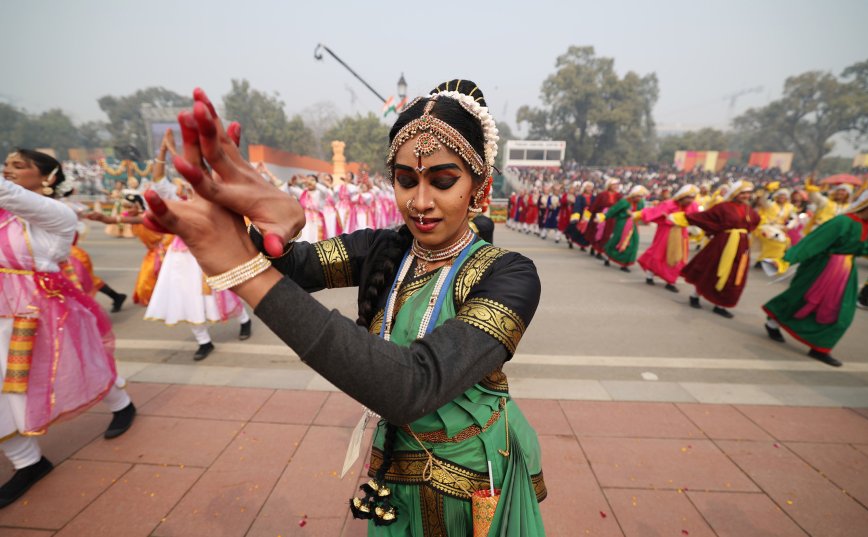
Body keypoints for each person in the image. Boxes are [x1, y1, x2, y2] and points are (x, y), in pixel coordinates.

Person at [143, 82, 547, 535]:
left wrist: (246, 271)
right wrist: (254, 227)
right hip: (396, 465)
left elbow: (413, 386)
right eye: (406, 180)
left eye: (443, 181)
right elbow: (295, 264)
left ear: (480, 186)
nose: (420, 202)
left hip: (475, 477)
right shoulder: (382, 248)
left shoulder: (509, 276)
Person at [0, 149, 135, 508]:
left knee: (79, 366)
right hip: (3, 312)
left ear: (47, 177)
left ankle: (122, 403)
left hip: (40, 311)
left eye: (18, 166)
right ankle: (27, 461)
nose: (7, 171)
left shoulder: (57, 214)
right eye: (6, 165)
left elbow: (9, 195)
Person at [762, 190, 868, 367]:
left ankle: (821, 347)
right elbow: (812, 242)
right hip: (821, 267)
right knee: (800, 299)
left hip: (846, 271)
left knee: (842, 311)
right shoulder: (842, 222)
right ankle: (773, 321)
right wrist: (785, 260)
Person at [674, 180, 761, 318]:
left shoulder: (749, 210)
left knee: (734, 273)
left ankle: (721, 304)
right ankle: (695, 295)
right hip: (723, 242)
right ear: (735, 193)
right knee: (710, 268)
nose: (746, 196)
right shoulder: (723, 207)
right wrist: (684, 218)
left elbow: (756, 221)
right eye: (743, 193)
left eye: (748, 193)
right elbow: (705, 217)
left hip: (742, 245)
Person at [637, 184, 700, 291]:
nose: (691, 200)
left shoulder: (693, 205)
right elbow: (654, 212)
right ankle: (649, 275)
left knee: (677, 256)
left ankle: (670, 281)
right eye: (689, 197)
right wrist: (639, 215)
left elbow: (698, 217)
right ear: (682, 197)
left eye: (693, 197)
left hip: (681, 233)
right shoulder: (668, 204)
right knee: (658, 253)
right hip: (666, 231)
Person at [602, 185, 648, 272]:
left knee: (633, 243)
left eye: (641, 196)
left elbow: (642, 213)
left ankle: (625, 263)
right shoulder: (624, 202)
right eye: (638, 196)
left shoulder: (641, 203)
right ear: (633, 195)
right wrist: (604, 217)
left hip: (634, 224)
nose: (640, 198)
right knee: (617, 240)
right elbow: (613, 210)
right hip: (622, 224)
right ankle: (608, 256)